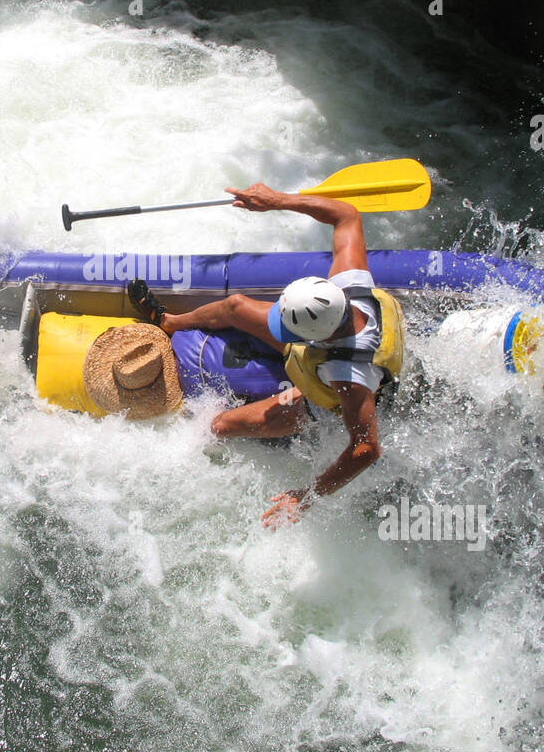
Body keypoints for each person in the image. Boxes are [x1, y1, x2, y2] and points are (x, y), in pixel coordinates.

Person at [127, 183, 383, 529]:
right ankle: (170, 323)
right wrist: (277, 201)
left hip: (318, 400)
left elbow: (366, 448)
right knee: (236, 307)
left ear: (310, 336)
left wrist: (307, 496)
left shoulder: (348, 378)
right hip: (324, 348)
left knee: (219, 426)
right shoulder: (350, 284)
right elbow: (346, 215)